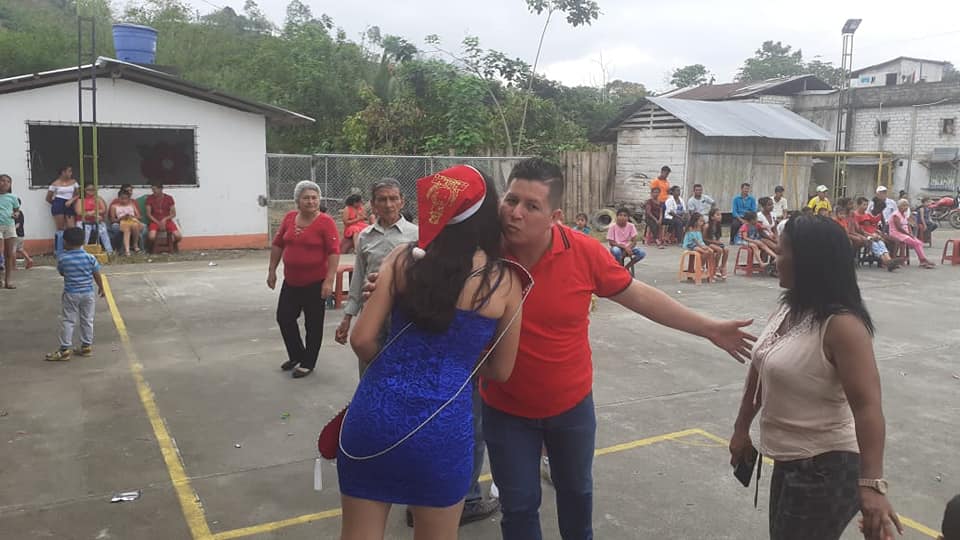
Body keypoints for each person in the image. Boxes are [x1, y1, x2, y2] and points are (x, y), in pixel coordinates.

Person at [480, 158, 754, 540]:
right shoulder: (483, 252)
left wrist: (708, 328)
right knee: (519, 507)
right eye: (511, 200)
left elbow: (640, 296)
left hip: (570, 407)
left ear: (555, 217)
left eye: (531, 206)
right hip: (505, 408)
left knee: (577, 496)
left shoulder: (583, 252)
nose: (515, 213)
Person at [337, 165, 523, 540]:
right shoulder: (504, 282)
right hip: (441, 428)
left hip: (374, 416)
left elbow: (361, 340)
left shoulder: (403, 259)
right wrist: (455, 363)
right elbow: (501, 370)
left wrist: (396, 367)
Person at [729, 214, 902, 540]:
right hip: (788, 459)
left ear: (809, 262)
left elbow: (868, 406)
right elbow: (760, 368)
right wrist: (741, 429)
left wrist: (872, 484)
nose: (775, 259)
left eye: (782, 252)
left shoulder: (843, 326)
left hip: (826, 467)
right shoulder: (789, 308)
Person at [336, 178, 419, 372]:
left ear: (402, 201)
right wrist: (348, 317)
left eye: (393, 198)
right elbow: (358, 277)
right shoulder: (365, 236)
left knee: (403, 367)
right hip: (371, 311)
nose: (388, 205)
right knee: (369, 368)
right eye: (382, 199)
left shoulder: (417, 235)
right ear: (373, 204)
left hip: (405, 312)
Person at [266, 181, 340, 379]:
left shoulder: (326, 222)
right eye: (306, 198)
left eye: (314, 198)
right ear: (297, 200)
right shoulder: (290, 218)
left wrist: (329, 280)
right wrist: (272, 270)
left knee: (313, 325)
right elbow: (278, 244)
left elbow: (334, 252)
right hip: (291, 281)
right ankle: (297, 355)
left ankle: (308, 362)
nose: (311, 201)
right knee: (284, 318)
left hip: (315, 283)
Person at [44, 227, 104, 361]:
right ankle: (86, 346)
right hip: (88, 293)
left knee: (68, 320)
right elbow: (96, 274)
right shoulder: (90, 257)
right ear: (83, 241)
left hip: (71, 293)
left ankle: (64, 349)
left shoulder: (63, 259)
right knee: (87, 319)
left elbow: (62, 272)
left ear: (65, 242)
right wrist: (101, 287)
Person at [889, 199, 935, 269]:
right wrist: (908, 234)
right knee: (915, 243)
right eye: (904, 206)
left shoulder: (904, 214)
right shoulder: (896, 215)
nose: (906, 207)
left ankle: (922, 260)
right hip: (896, 233)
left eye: (907, 206)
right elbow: (899, 228)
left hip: (904, 234)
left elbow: (907, 225)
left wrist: (911, 233)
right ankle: (923, 260)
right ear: (899, 206)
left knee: (919, 242)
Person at [46, 165, 79, 256]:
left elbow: (77, 194)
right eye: (69, 171)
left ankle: (71, 248)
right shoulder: (55, 184)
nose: (71, 173)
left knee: (71, 227)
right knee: (60, 228)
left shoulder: (74, 182)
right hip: (58, 203)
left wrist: (71, 200)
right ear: (63, 172)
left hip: (69, 203)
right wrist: (56, 204)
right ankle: (59, 250)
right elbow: (48, 198)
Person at [75, 183, 114, 254]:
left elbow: (103, 210)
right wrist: (90, 214)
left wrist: (93, 212)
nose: (91, 191)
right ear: (84, 190)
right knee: (85, 234)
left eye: (93, 189)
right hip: (83, 221)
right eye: (89, 190)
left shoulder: (98, 199)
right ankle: (82, 251)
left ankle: (109, 251)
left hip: (96, 220)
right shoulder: (80, 200)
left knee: (103, 230)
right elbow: (79, 212)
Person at [146, 183, 182, 252]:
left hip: (167, 221)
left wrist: (165, 219)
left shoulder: (169, 198)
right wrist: (158, 222)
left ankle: (173, 244)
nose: (153, 191)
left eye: (155, 189)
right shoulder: (149, 198)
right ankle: (151, 248)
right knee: (151, 237)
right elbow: (148, 214)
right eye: (152, 189)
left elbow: (173, 214)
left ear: (161, 189)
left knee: (178, 236)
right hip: (154, 221)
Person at [683, 212, 719, 279]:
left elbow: (700, 239)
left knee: (710, 251)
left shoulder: (699, 228)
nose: (702, 223)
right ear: (695, 221)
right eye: (700, 221)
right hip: (691, 245)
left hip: (699, 244)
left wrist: (704, 246)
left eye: (702, 221)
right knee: (704, 251)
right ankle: (700, 266)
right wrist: (702, 247)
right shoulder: (690, 228)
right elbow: (694, 240)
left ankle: (710, 270)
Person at [110, 186, 144, 256]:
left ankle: (135, 245)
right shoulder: (114, 206)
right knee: (127, 228)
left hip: (132, 221)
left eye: (126, 199)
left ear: (129, 199)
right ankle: (127, 250)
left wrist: (132, 216)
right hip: (122, 222)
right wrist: (121, 218)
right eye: (122, 198)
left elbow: (139, 216)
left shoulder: (132, 205)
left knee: (135, 225)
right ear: (118, 198)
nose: (124, 200)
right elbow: (112, 220)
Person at [0, 174, 20, 289]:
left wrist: (16, 214)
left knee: (8, 254)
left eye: (8, 181)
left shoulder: (13, 197)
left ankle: (8, 280)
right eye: (2, 180)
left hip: (9, 226)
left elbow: (17, 210)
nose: (5, 183)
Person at [703, 208, 729, 278]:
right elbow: (704, 239)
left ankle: (722, 267)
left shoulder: (718, 225)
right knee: (719, 250)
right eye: (717, 215)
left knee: (726, 250)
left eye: (720, 214)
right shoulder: (707, 226)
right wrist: (715, 242)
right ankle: (715, 267)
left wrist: (718, 242)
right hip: (707, 244)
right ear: (712, 217)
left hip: (715, 243)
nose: (720, 216)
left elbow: (718, 237)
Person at [12, 195, 34, 270]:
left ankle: (14, 266)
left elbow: (17, 225)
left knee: (13, 250)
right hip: (21, 234)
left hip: (16, 234)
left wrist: (11, 230)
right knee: (20, 249)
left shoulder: (16, 213)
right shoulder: (20, 213)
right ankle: (29, 260)